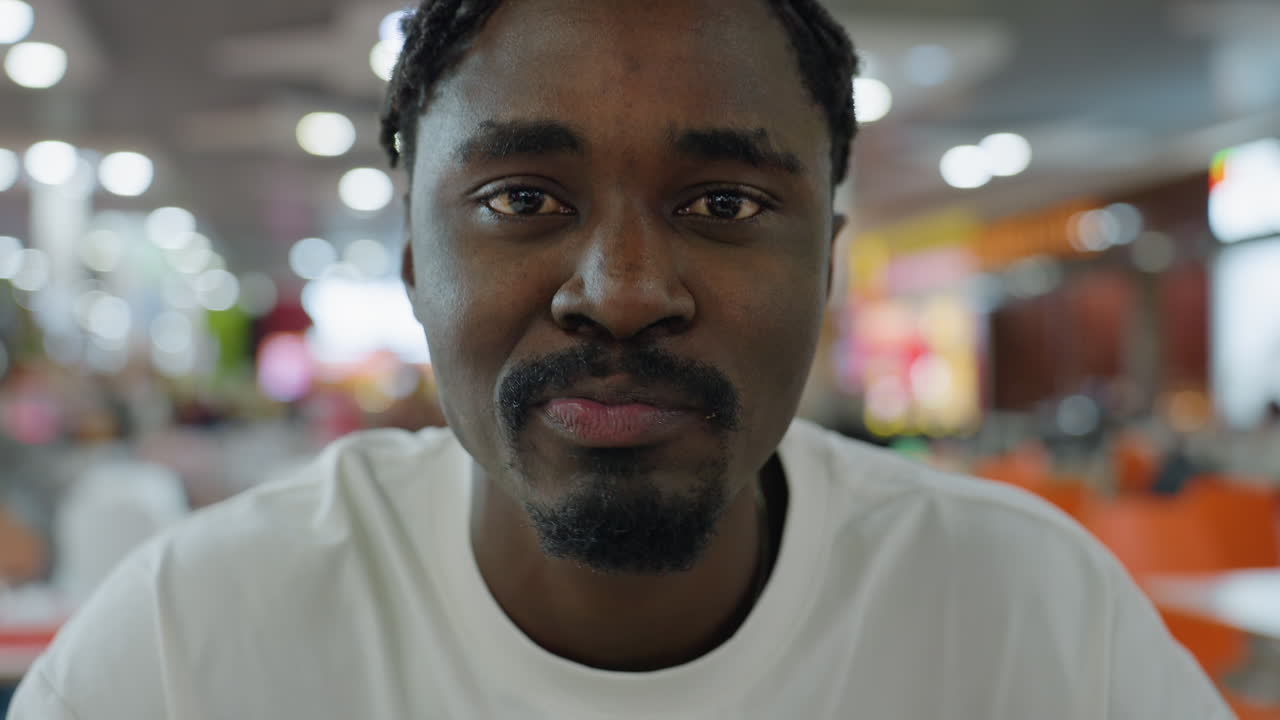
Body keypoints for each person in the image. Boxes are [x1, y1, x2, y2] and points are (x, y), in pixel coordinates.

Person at [10, 0, 1231, 717]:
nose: (624, 294)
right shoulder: (191, 648)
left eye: (725, 206)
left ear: (826, 268)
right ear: (410, 266)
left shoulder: (1034, 622)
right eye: (520, 196)